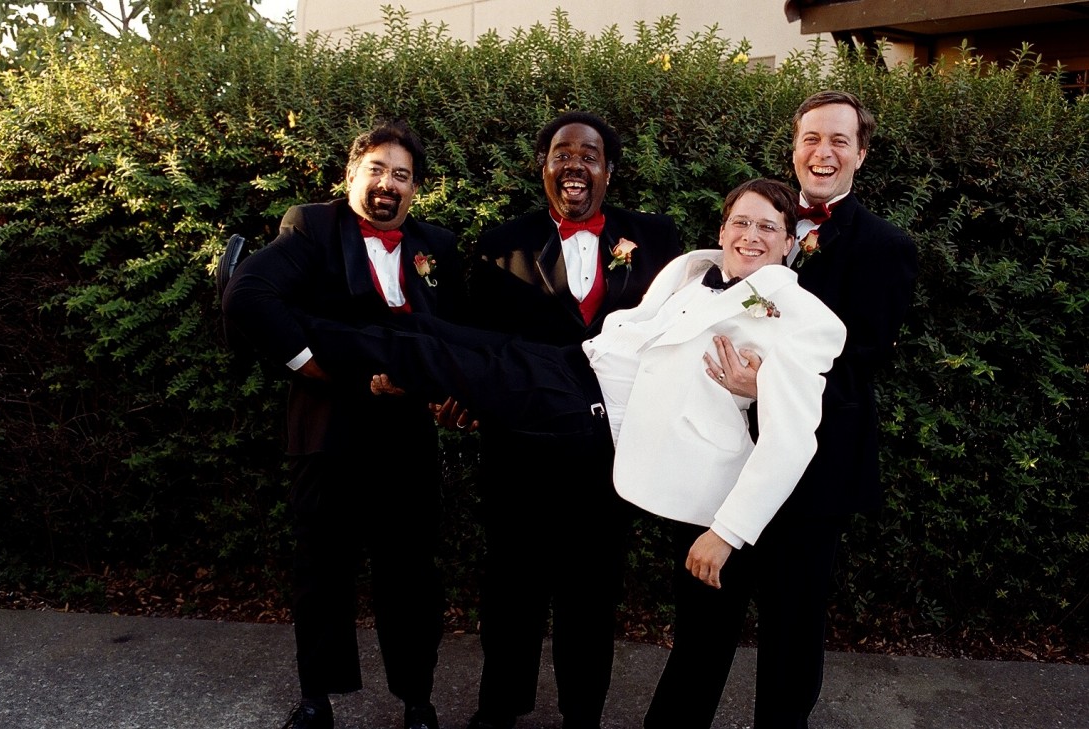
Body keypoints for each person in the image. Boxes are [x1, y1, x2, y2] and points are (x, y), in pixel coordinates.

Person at [300, 178, 844, 729]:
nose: (751, 236)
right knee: (437, 333)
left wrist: (727, 531)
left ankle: (301, 336)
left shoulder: (807, 319)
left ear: (789, 243)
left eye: (768, 227)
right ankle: (332, 328)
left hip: (596, 413)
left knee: (455, 365)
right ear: (722, 229)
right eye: (741, 222)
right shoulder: (692, 269)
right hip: (577, 361)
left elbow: (792, 440)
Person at [665, 90, 919, 728]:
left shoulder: (885, 246)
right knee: (702, 621)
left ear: (860, 153)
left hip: (816, 474)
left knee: (791, 630)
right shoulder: (759, 223)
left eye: (839, 140)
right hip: (725, 463)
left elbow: (862, 361)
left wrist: (769, 386)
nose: (823, 152)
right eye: (812, 138)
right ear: (795, 147)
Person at [221, 119, 466, 729]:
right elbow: (247, 292)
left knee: (411, 576)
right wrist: (315, 368)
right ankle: (316, 701)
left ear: (415, 188)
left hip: (405, 439)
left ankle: (417, 701)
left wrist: (443, 388)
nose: (388, 184)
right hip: (328, 432)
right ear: (352, 174)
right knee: (322, 572)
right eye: (377, 169)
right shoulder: (312, 227)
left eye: (402, 175)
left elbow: (458, 333)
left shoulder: (437, 245)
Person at [464, 110, 683, 729]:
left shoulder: (656, 239)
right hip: (520, 450)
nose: (575, 165)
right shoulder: (501, 244)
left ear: (609, 171)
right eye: (562, 154)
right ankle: (499, 709)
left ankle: (582, 714)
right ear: (544, 167)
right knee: (512, 590)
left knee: (592, 594)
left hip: (608, 453)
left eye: (589, 155)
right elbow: (480, 343)